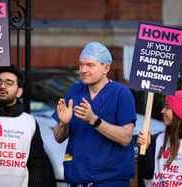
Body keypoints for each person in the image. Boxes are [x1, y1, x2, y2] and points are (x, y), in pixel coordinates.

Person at [52, 41, 137, 187]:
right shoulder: (75, 91)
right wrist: (63, 123)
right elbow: (58, 137)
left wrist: (95, 120)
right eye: (81, 65)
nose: (83, 70)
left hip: (109, 179)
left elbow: (125, 137)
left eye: (90, 65)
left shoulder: (121, 93)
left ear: (106, 67)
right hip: (78, 178)